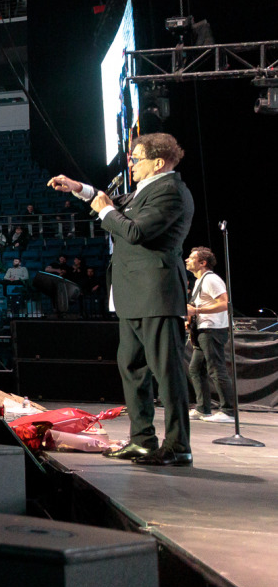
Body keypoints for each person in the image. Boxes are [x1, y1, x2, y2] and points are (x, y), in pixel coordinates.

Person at [49, 133, 195, 466]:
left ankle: (178, 444)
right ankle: (143, 440)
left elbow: (135, 231)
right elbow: (112, 202)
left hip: (156, 293)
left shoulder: (171, 191)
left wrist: (104, 213)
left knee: (167, 373)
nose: (131, 164)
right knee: (132, 368)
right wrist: (78, 188)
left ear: (158, 162)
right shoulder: (149, 189)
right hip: (133, 295)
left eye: (136, 158)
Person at [184, 247, 234, 425]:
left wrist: (197, 310)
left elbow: (224, 304)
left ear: (202, 263)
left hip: (212, 330)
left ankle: (228, 411)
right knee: (195, 369)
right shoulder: (200, 281)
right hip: (202, 330)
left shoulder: (211, 279)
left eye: (191, 258)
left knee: (216, 368)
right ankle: (202, 408)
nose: (187, 260)